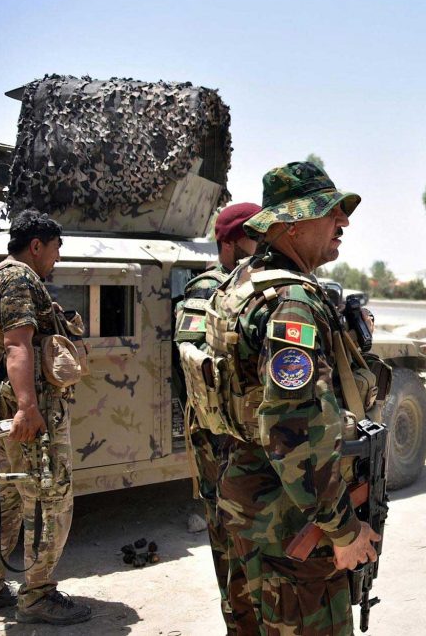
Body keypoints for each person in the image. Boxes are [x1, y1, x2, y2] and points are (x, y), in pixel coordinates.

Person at [211, 162, 380, 634]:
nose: (342, 223)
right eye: (329, 213)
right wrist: (343, 529)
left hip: (247, 512)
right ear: (291, 225)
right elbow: (297, 429)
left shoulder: (239, 285)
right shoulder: (292, 303)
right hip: (291, 528)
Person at [0, 210, 91, 624]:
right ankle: (37, 597)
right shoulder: (20, 279)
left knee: (6, 496)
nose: (57, 258)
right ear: (36, 245)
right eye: (55, 249)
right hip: (28, 415)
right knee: (51, 499)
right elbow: (17, 344)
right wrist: (28, 407)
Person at [174, 201, 259, 632]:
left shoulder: (254, 285)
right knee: (230, 545)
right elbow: (192, 369)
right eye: (252, 238)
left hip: (245, 443)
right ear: (229, 244)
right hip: (218, 442)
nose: (260, 246)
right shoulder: (206, 290)